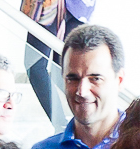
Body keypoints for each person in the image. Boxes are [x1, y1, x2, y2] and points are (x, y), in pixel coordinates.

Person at [22, 0, 95, 132]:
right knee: (60, 71)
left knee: (45, 68)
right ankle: (83, 122)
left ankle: (71, 124)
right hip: (63, 6)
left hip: (57, 6)